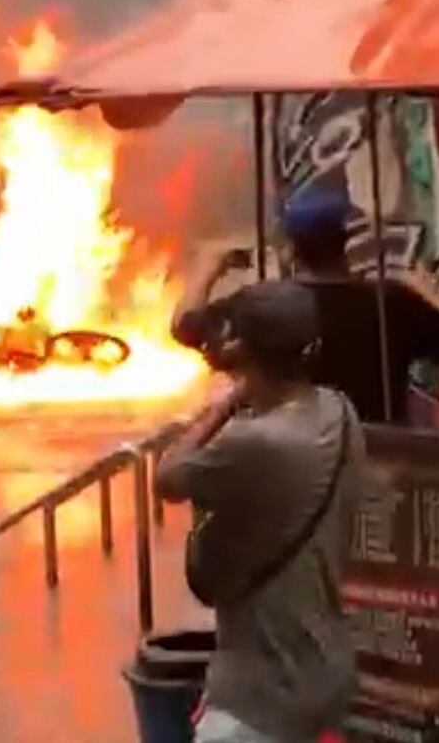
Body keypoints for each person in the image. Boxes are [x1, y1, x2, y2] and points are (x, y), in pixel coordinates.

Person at [157, 280, 361, 743]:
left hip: (258, 699)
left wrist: (223, 405)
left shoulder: (253, 442)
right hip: (328, 677)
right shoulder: (339, 412)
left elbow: (168, 477)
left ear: (245, 353)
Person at [175, 186, 439, 424]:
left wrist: (206, 269)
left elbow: (186, 329)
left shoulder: (266, 307)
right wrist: (425, 290)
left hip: (292, 460)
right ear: (345, 242)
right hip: (377, 456)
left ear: (290, 249)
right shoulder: (391, 304)